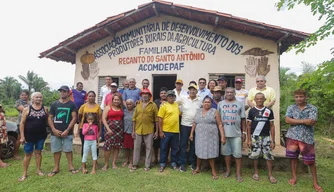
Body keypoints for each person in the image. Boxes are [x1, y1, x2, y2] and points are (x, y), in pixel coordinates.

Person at [285, 89, 323, 192]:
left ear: (305, 97)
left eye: (301, 96)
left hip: (307, 138)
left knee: (311, 161)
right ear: (294, 97)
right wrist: (303, 121)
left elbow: (311, 122)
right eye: (296, 97)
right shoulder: (291, 107)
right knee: (293, 158)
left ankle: (315, 183)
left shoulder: (312, 108)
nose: (299, 99)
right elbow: (287, 120)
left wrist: (295, 121)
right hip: (292, 137)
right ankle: (294, 177)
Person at [189, 96, 225, 180]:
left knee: (211, 153)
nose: (207, 103)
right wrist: (191, 134)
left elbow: (220, 124)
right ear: (202, 103)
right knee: (199, 151)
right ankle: (198, 168)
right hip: (200, 135)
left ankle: (213, 170)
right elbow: (194, 123)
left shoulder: (214, 111)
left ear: (211, 103)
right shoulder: (198, 111)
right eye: (205, 102)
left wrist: (223, 136)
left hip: (211, 136)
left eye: (209, 102)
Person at [48, 85, 78, 177]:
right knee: (56, 150)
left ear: (68, 93)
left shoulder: (72, 104)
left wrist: (68, 130)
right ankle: (56, 167)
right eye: (61, 91)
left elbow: (74, 118)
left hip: (67, 132)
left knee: (68, 150)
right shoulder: (54, 104)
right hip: (55, 132)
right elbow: (50, 118)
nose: (62, 93)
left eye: (64, 91)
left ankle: (71, 167)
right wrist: (53, 129)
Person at [247, 93, 277, 184]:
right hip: (254, 137)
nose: (259, 100)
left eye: (261, 99)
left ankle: (270, 174)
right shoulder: (251, 111)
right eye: (257, 99)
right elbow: (248, 126)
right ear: (254, 100)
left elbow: (272, 126)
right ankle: (256, 172)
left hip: (266, 137)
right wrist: (248, 139)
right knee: (255, 155)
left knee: (268, 156)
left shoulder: (269, 111)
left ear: (264, 99)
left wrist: (273, 140)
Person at [218, 87, 246, 182]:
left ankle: (238, 173)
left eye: (231, 92)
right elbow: (218, 120)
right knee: (226, 154)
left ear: (234, 93)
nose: (229, 94)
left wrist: (244, 132)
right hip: (224, 134)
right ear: (225, 93)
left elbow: (243, 119)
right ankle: (228, 170)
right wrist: (220, 134)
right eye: (227, 92)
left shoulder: (240, 104)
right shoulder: (220, 104)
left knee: (238, 154)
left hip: (236, 134)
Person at [18, 92, 48, 181]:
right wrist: (22, 136)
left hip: (41, 136)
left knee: (38, 153)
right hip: (29, 136)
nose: (38, 99)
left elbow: (47, 121)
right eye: (36, 97)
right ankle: (24, 173)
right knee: (28, 154)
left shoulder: (45, 109)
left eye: (40, 97)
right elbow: (22, 123)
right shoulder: (27, 109)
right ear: (32, 98)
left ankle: (38, 170)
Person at [131, 89, 159, 172]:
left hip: (149, 130)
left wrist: (156, 131)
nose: (145, 95)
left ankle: (147, 165)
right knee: (136, 147)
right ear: (141, 95)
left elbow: (156, 119)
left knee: (149, 148)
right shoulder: (138, 105)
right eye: (143, 94)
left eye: (147, 94)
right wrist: (133, 131)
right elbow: (134, 119)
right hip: (138, 129)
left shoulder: (153, 105)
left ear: (150, 96)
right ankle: (135, 164)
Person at [176, 83, 201, 172]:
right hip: (184, 125)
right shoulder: (183, 99)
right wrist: (164, 102)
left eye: (194, 89)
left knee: (193, 145)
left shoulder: (200, 100)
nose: (192, 91)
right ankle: (182, 163)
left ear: (196, 91)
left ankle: (191, 162)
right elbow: (173, 102)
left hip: (196, 125)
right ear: (188, 91)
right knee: (183, 144)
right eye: (190, 89)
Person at [158, 90, 180, 172]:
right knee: (164, 148)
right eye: (169, 96)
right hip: (166, 131)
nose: (171, 98)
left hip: (175, 131)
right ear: (167, 97)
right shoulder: (163, 106)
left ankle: (173, 163)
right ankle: (162, 164)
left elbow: (179, 115)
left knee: (174, 149)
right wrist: (160, 131)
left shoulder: (176, 105)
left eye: (172, 96)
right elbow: (160, 119)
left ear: (175, 97)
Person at [102, 93, 124, 170]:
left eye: (118, 100)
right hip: (109, 130)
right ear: (112, 100)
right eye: (115, 99)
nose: (116, 101)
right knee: (108, 146)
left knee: (117, 146)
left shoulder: (121, 108)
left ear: (120, 101)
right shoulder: (108, 108)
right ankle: (106, 163)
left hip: (119, 131)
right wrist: (108, 129)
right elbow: (103, 119)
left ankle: (114, 163)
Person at [77, 91, 102, 157]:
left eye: (92, 96)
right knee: (84, 145)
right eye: (89, 96)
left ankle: (95, 162)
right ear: (87, 97)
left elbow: (100, 119)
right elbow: (79, 118)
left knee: (96, 145)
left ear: (95, 97)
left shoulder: (98, 107)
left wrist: (100, 130)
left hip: (95, 129)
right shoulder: (83, 106)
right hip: (84, 129)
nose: (91, 97)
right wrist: (79, 129)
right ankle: (83, 163)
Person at [153, 87, 168, 165]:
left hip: (166, 126)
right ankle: (155, 159)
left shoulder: (169, 102)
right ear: (159, 94)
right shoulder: (156, 102)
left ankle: (165, 159)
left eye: (165, 93)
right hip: (156, 125)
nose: (163, 95)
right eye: (162, 93)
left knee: (165, 144)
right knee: (156, 144)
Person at [14, 90, 30, 160]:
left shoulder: (31, 102)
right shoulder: (18, 102)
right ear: (20, 96)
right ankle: (15, 154)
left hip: (30, 123)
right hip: (21, 123)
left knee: (29, 138)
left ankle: (28, 152)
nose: (24, 96)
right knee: (20, 138)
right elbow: (24, 110)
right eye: (22, 95)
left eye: (25, 95)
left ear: (28, 96)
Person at [122, 99, 135, 169]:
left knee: (132, 148)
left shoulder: (135, 111)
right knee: (126, 147)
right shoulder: (124, 111)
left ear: (133, 104)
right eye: (127, 104)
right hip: (125, 131)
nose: (128, 106)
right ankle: (127, 160)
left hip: (133, 132)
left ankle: (132, 162)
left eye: (130, 104)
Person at [99, 76, 112, 142]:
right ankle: (102, 136)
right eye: (107, 79)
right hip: (103, 107)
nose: (108, 80)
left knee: (109, 122)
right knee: (102, 122)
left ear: (111, 80)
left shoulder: (114, 88)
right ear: (105, 80)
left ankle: (108, 136)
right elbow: (101, 97)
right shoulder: (102, 88)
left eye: (109, 79)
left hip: (111, 108)